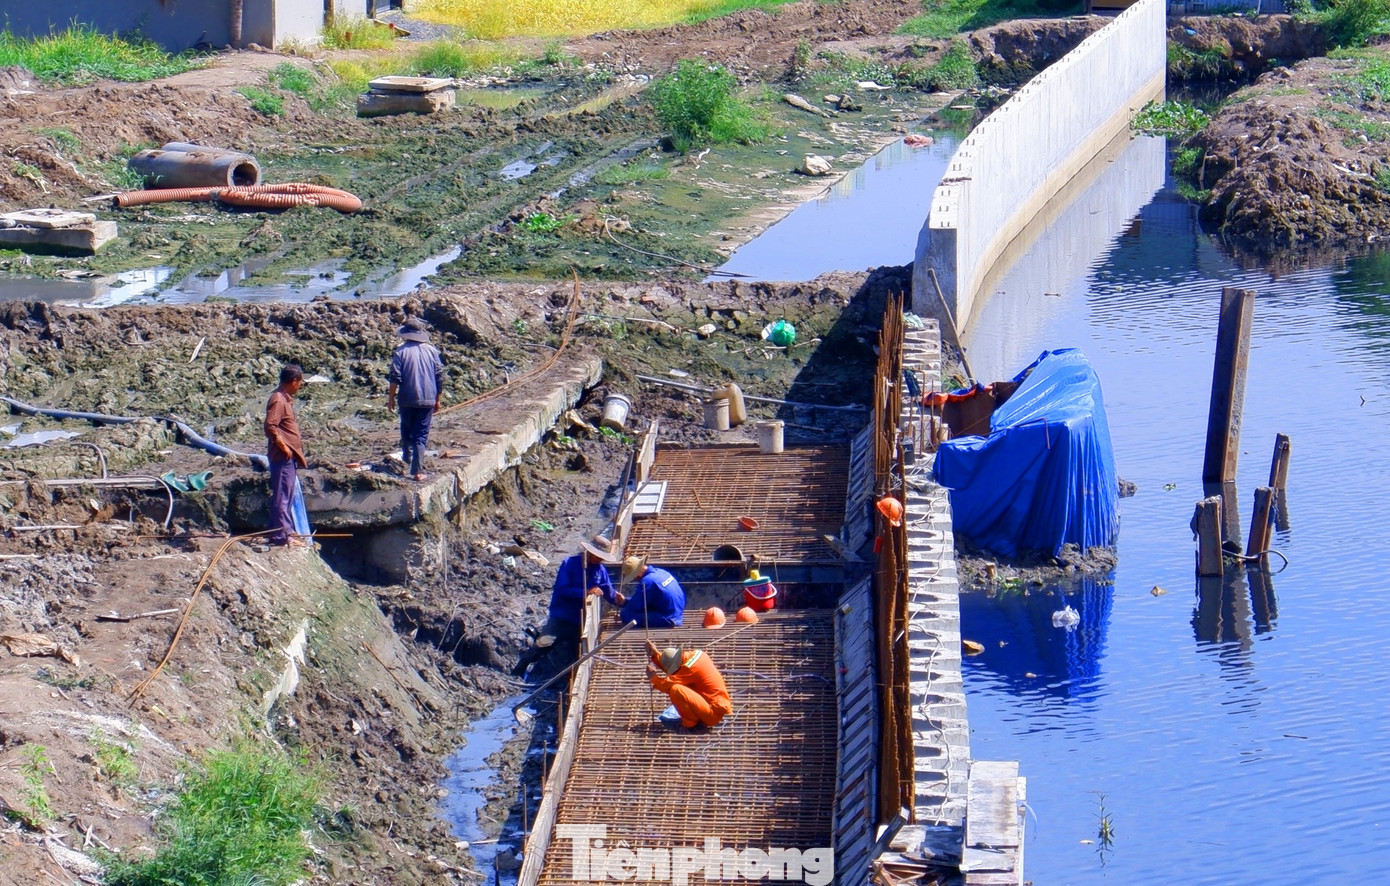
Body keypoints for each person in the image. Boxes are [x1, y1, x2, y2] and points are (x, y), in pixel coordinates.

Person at [513, 541, 626, 678]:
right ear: (590, 553)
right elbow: (563, 590)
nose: (599, 559)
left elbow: (609, 592)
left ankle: (571, 679)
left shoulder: (600, 570)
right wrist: (587, 592)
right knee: (543, 643)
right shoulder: (569, 564)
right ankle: (518, 670)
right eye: (597, 556)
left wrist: (621, 600)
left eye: (602, 557)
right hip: (562, 616)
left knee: (580, 653)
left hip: (581, 621)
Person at [387, 317, 445, 482]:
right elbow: (439, 377)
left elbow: (395, 377)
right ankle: (417, 470)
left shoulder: (400, 352)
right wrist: (437, 399)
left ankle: (407, 457)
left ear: (406, 335)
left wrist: (391, 397)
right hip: (428, 399)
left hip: (407, 398)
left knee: (407, 428)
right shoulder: (432, 351)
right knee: (421, 434)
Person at [264, 363, 308, 547]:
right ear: (293, 381)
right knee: (282, 496)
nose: (300, 386)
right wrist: (283, 445)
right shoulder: (279, 400)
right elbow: (270, 425)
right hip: (282, 457)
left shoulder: (285, 399)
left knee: (286, 495)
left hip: (287, 457)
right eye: (300, 382)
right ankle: (283, 536)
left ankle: (283, 532)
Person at [646, 639, 732, 730]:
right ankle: (695, 718)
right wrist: (655, 655)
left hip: (711, 715)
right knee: (681, 685)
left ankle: (690, 724)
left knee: (676, 689)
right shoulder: (698, 655)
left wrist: (653, 677)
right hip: (713, 706)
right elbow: (676, 669)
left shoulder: (688, 669)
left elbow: (665, 686)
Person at [619, 556, 685, 628]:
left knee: (625, 614)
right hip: (677, 612)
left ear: (636, 575)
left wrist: (624, 606)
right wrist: (625, 601)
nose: (634, 580)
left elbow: (634, 607)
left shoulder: (647, 581)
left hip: (668, 618)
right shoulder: (661, 571)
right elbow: (642, 600)